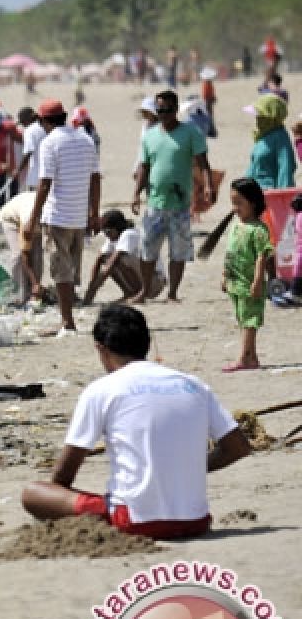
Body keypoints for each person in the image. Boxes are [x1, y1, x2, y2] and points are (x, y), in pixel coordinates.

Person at [20, 304, 251, 539]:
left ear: (101, 350)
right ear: (146, 344)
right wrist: (185, 468)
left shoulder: (102, 389)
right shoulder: (193, 384)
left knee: (34, 493)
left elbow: (62, 477)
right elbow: (238, 447)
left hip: (133, 522)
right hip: (196, 521)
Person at [24, 98, 101, 335]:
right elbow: (96, 178)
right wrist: (94, 213)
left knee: (61, 271)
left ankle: (67, 322)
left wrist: (32, 219)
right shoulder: (86, 139)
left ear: (43, 121)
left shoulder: (49, 143)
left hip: (58, 216)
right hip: (79, 215)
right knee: (69, 270)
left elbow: (44, 184)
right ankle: (68, 319)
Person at [131, 90, 216, 303]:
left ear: (176, 110)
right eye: (159, 110)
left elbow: (203, 163)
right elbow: (144, 166)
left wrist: (208, 185)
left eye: (168, 110)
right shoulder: (149, 136)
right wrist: (135, 193)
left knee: (178, 251)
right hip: (154, 202)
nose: (163, 114)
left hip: (180, 203)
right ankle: (144, 291)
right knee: (148, 249)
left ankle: (173, 293)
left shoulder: (191, 132)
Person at [221, 179, 274, 370]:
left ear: (252, 202)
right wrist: (224, 275)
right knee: (242, 318)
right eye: (232, 202)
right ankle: (252, 356)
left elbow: (262, 257)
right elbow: (230, 252)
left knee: (249, 320)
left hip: (250, 282)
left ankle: (244, 357)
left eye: (239, 202)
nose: (234, 207)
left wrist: (258, 282)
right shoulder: (236, 226)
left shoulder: (259, 230)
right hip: (235, 281)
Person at [82, 210, 164, 305]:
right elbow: (99, 260)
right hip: (144, 279)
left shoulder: (129, 234)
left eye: (107, 231)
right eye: (103, 231)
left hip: (155, 282)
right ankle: (129, 293)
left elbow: (111, 264)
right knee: (107, 259)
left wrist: (93, 289)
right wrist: (91, 288)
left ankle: (137, 293)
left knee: (117, 260)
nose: (105, 234)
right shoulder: (113, 238)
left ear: (117, 227)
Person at [0, 190, 43, 306]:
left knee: (37, 256)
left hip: (33, 221)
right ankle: (19, 294)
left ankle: (34, 294)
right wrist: (34, 282)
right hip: (11, 220)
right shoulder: (28, 217)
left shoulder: (51, 212)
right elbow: (24, 254)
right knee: (18, 255)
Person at [244, 94, 296, 190]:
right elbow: (254, 166)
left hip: (270, 192)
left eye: (261, 116)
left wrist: (282, 196)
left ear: (271, 117)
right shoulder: (262, 136)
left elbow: (286, 168)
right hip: (255, 192)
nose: (257, 119)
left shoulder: (280, 137)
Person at [16, 106, 45, 192]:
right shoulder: (44, 126)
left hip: (36, 176)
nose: (23, 125)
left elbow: (28, 152)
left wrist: (18, 170)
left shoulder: (29, 130)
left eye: (22, 122)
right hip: (50, 175)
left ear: (26, 120)